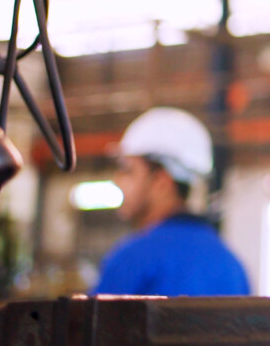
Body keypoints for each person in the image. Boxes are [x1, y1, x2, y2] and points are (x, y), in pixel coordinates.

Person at [93, 107, 250, 296]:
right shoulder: (231, 264)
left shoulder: (135, 258)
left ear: (161, 182)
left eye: (128, 170)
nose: (117, 181)